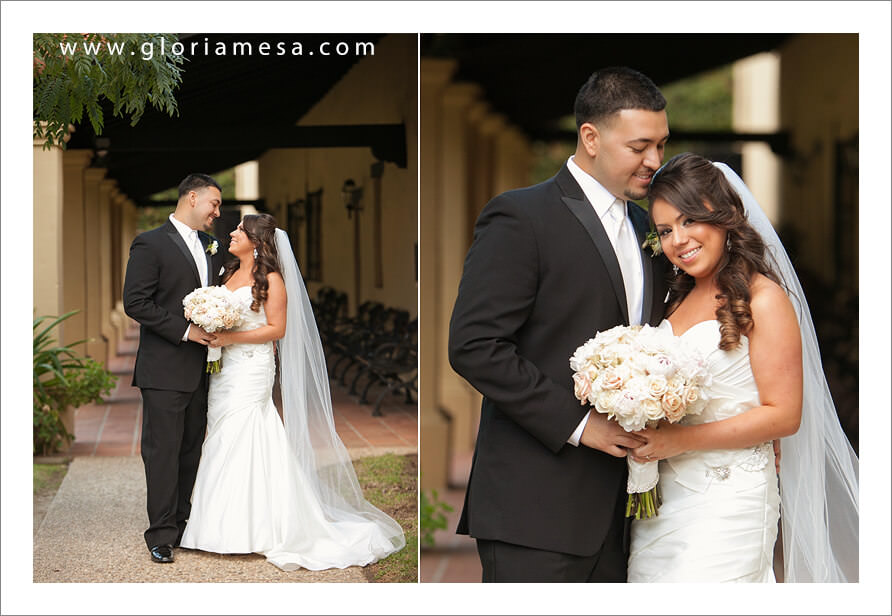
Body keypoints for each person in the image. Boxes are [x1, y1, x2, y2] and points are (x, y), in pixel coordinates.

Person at [448, 67, 671, 582]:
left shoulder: (651, 228)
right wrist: (580, 425)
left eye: (661, 144)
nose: (654, 161)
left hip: (628, 510)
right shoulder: (520, 217)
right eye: (640, 146)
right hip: (535, 508)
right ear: (590, 138)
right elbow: (475, 346)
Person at [627, 152, 859, 582]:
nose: (678, 239)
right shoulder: (672, 297)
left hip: (729, 499)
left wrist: (681, 440)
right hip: (663, 500)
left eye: (689, 220)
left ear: (727, 216)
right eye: (665, 230)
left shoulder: (763, 298)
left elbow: (784, 415)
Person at [179, 213, 405, 571]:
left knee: (242, 433)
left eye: (240, 229)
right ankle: (218, 525)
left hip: (252, 367)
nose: (233, 233)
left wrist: (229, 338)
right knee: (221, 433)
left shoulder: (271, 280)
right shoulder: (226, 274)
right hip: (225, 369)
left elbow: (277, 329)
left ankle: (251, 529)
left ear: (257, 241)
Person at [122, 173, 225, 564]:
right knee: (162, 451)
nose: (217, 211)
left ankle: (183, 524)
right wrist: (186, 331)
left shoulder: (210, 246)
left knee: (189, 449)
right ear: (192, 197)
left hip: (203, 368)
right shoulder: (150, 242)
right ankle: (160, 535)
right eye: (213, 203)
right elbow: (136, 302)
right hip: (164, 368)